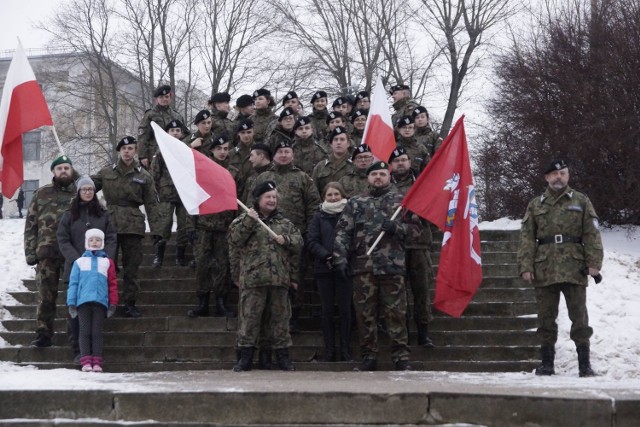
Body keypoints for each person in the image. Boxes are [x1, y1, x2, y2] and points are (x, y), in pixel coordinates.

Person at [517, 159, 603, 377]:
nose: (559, 177)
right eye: (554, 174)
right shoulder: (536, 204)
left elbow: (592, 234)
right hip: (545, 267)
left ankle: (584, 364)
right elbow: (527, 238)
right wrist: (526, 265)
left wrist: (594, 263)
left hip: (575, 266)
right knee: (545, 318)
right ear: (547, 177)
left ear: (568, 176)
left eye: (563, 173)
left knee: (579, 318)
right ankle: (547, 363)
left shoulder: (581, 201)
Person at [333, 161, 420, 371]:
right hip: (363, 267)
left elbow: (418, 231)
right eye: (374, 174)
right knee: (365, 314)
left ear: (389, 177)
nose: (378, 177)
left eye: (382, 174)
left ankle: (401, 357)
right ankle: (368, 357)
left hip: (392, 266)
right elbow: (343, 232)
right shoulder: (355, 203)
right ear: (368, 178)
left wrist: (397, 228)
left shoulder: (402, 201)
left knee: (396, 313)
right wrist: (340, 257)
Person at [228, 181, 303, 371]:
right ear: (258, 199)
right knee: (249, 321)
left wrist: (285, 240)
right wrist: (249, 221)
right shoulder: (244, 220)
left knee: (279, 321)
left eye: (274, 197)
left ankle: (282, 358)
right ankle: (245, 358)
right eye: (267, 197)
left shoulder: (284, 223)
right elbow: (234, 240)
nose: (271, 200)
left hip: (279, 280)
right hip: (253, 280)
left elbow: (298, 243)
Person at [92, 136, 160, 318]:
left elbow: (152, 204)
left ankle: (130, 303)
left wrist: (157, 230)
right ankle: (104, 301)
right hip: (110, 226)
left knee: (132, 268)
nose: (127, 151)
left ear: (136, 151)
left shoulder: (143, 176)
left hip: (133, 226)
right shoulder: (107, 172)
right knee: (106, 266)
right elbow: (88, 188)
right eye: (124, 149)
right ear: (119, 151)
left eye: (130, 148)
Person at [57, 175, 117, 361]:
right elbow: (63, 239)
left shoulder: (104, 215)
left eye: (90, 189)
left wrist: (105, 259)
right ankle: (79, 351)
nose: (88, 192)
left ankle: (96, 353)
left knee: (97, 314)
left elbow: (112, 238)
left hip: (99, 272)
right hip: (76, 270)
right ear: (79, 192)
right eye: (84, 189)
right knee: (75, 314)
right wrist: (77, 260)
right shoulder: (69, 215)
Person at [24, 155, 77, 347]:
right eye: (59, 168)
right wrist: (30, 252)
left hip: (73, 254)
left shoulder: (80, 193)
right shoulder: (41, 194)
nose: (63, 171)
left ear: (72, 171)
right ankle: (43, 334)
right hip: (46, 253)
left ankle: (75, 335)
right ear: (53, 172)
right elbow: (31, 225)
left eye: (66, 168)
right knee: (46, 295)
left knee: (74, 296)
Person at [187, 135, 241, 318]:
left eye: (226, 149)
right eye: (219, 149)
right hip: (203, 226)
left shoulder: (234, 172)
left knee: (222, 266)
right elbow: (192, 198)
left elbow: (239, 200)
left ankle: (220, 301)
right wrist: (190, 227)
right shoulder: (202, 170)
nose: (223, 152)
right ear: (212, 150)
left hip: (225, 227)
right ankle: (202, 301)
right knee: (202, 265)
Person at [389, 147, 435, 347]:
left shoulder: (422, 184)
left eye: (404, 160)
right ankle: (403, 333)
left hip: (418, 245)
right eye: (397, 160)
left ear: (410, 162)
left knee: (421, 291)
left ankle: (423, 332)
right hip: (393, 246)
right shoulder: (386, 185)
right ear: (391, 164)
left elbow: (433, 211)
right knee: (397, 294)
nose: (401, 163)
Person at [307, 182, 352, 362]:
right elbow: (311, 240)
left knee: (345, 311)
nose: (333, 198)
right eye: (330, 195)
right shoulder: (318, 217)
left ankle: (345, 350)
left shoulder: (350, 214)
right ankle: (330, 350)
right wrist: (325, 255)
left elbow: (355, 238)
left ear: (342, 195)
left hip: (345, 268)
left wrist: (343, 257)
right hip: (323, 268)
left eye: (336, 194)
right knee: (326, 311)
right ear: (324, 197)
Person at [67, 229, 118, 372]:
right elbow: (73, 283)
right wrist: (71, 303)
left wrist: (112, 304)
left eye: (97, 240)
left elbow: (112, 284)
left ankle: (97, 361)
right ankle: (85, 361)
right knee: (84, 331)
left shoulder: (107, 262)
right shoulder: (79, 262)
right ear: (86, 242)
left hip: (100, 303)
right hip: (83, 303)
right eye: (91, 240)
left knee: (97, 332)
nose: (94, 242)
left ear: (102, 242)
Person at [151, 120, 193, 267]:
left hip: (183, 194)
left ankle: (179, 257)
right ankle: (158, 256)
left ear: (181, 133)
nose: (175, 133)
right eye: (172, 130)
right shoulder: (161, 150)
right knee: (164, 224)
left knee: (183, 225)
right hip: (166, 194)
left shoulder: (186, 150)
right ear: (167, 133)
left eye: (178, 131)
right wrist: (155, 192)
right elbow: (154, 174)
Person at [137, 84, 186, 168]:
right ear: (157, 99)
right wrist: (143, 156)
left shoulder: (177, 116)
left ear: (170, 98)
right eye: (161, 97)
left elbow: (185, 134)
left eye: (166, 97)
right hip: (154, 154)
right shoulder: (150, 115)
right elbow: (143, 136)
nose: (164, 99)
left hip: (174, 154)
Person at [312, 126, 354, 194]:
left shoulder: (354, 165)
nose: (338, 142)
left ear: (348, 143)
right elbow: (314, 193)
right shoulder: (320, 167)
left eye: (342, 139)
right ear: (331, 144)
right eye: (335, 140)